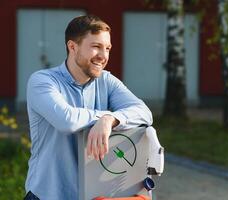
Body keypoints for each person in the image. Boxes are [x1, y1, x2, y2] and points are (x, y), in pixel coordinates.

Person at [24, 15, 153, 200]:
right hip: (48, 195)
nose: (103, 56)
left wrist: (110, 120)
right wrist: (102, 117)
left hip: (92, 195)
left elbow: (144, 113)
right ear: (72, 47)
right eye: (96, 47)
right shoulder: (42, 81)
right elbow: (66, 120)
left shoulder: (106, 81)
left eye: (107, 48)